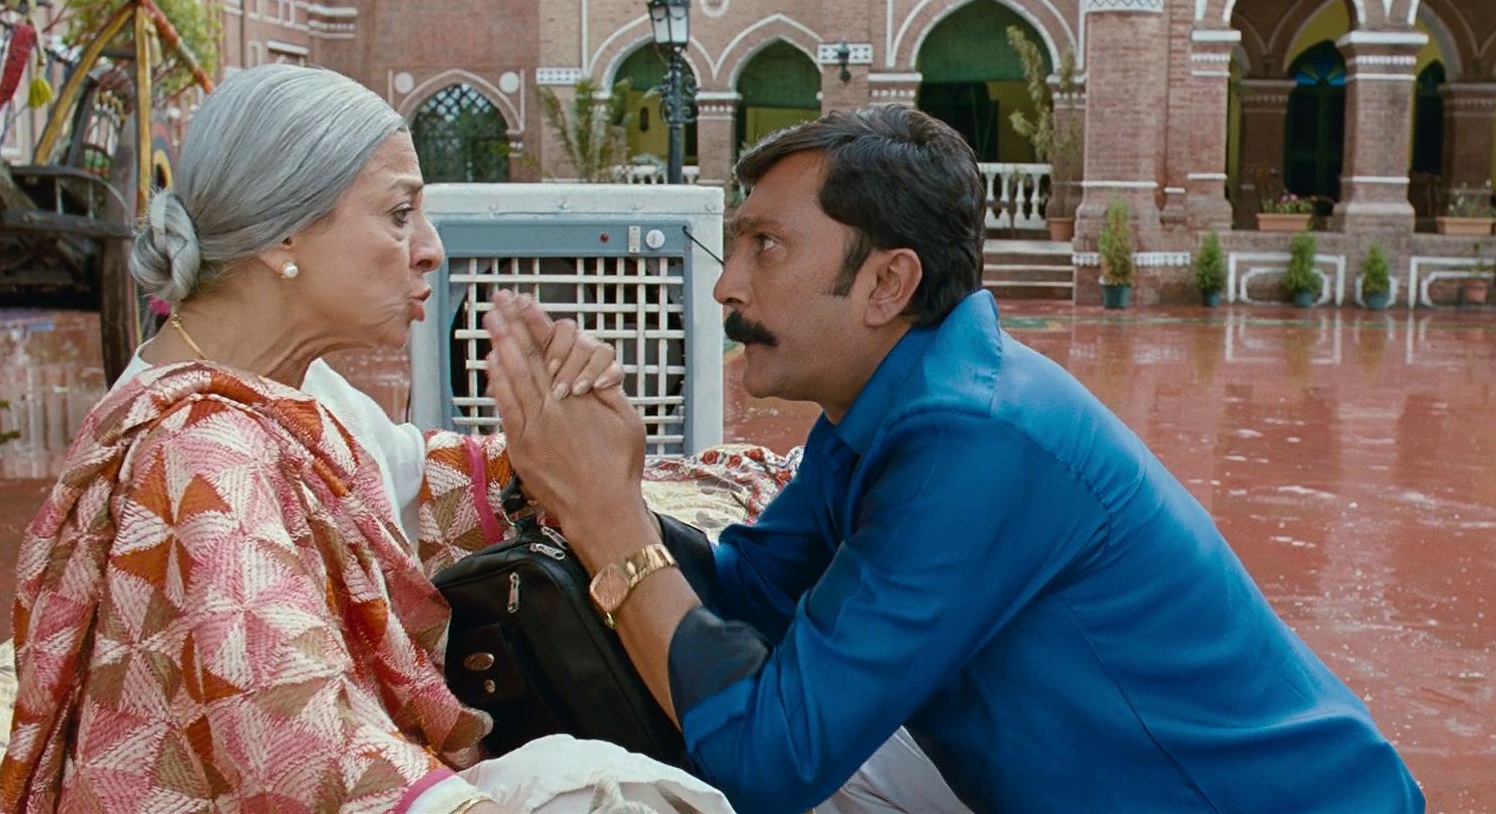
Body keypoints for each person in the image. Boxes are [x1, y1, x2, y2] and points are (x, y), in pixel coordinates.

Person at [482, 106, 1428, 813]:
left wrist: (610, 521)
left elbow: (770, 763)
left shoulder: (975, 437)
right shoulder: (886, 409)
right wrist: (586, 476)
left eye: (766, 246)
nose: (727, 285)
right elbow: (752, 597)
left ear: (888, 283)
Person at [0, 64, 730, 814]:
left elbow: (410, 486)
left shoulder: (288, 388)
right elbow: (296, 736)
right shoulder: (201, 449)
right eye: (400, 213)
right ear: (284, 231)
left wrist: (569, 434)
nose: (431, 249)